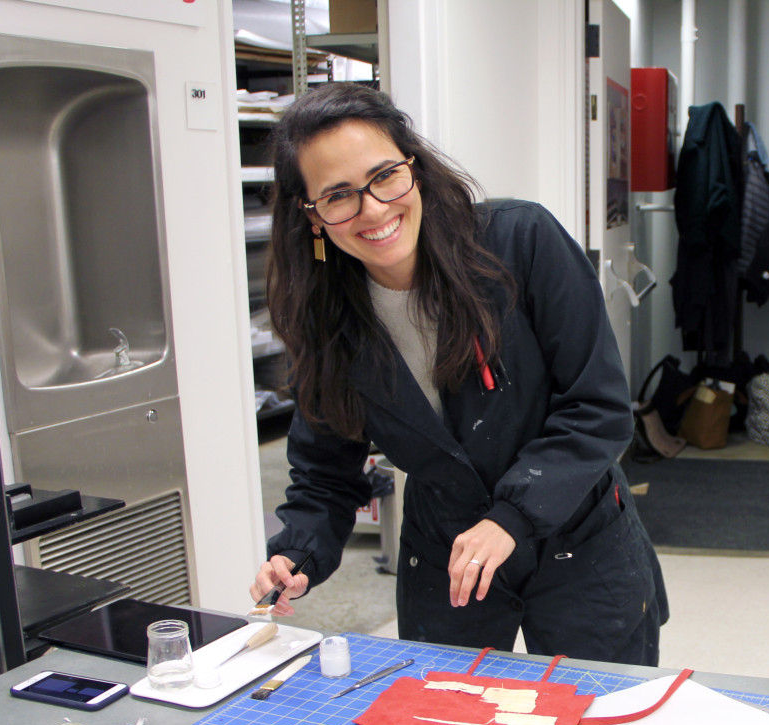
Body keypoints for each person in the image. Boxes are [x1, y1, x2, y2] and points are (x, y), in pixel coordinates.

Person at [249, 82, 668, 665]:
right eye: (339, 195)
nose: (374, 210)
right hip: (447, 553)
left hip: (578, 538)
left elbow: (597, 407)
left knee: (598, 712)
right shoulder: (327, 318)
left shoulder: (520, 242)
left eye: (384, 176)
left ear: (414, 168)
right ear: (312, 216)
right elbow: (326, 472)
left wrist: (513, 515)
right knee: (447, 711)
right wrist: (298, 552)